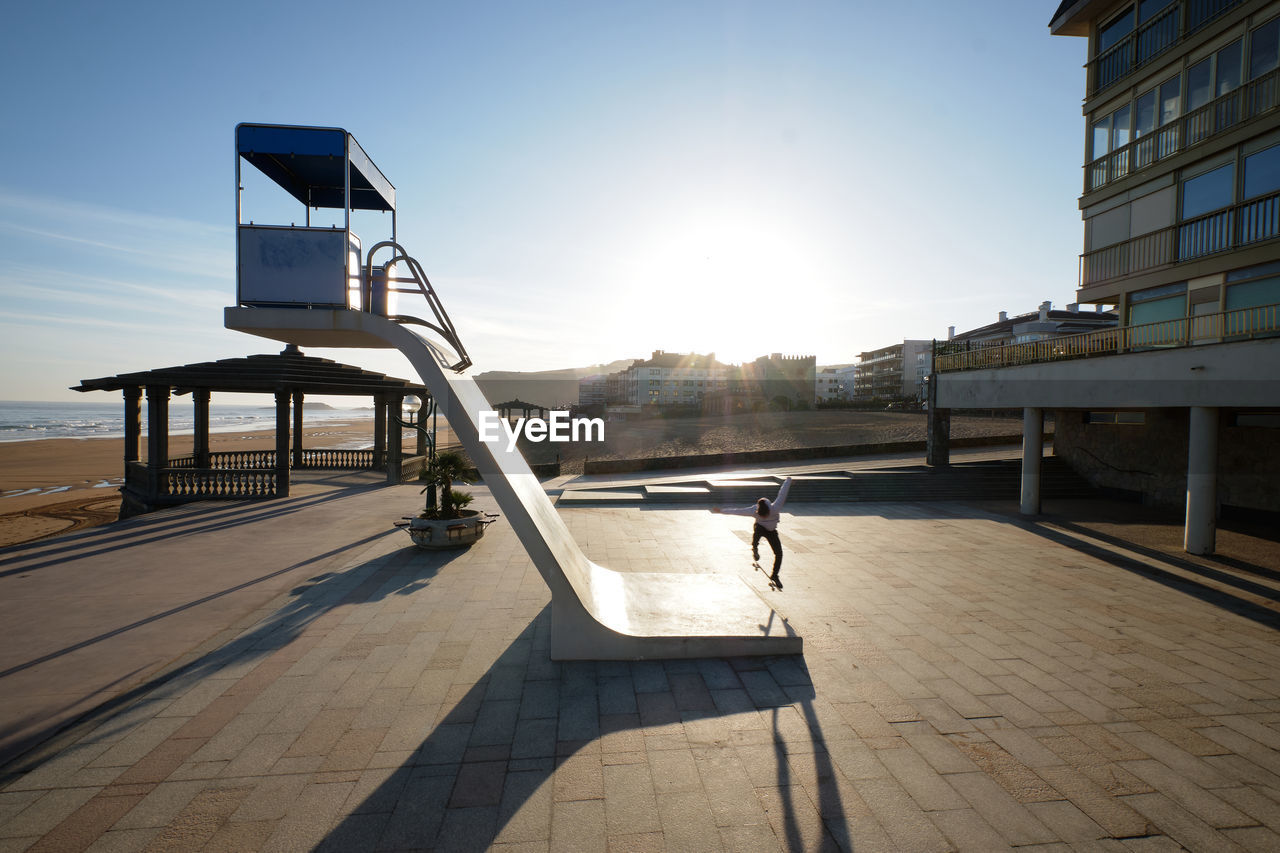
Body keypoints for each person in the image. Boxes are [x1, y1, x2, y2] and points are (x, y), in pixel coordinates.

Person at [712, 477, 792, 589]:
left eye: (765, 515)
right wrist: (721, 511)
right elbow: (738, 511)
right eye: (762, 516)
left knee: (779, 553)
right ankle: (755, 548)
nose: (763, 517)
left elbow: (782, 493)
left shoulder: (776, 507)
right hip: (761, 529)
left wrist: (788, 480)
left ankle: (775, 575)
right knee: (758, 529)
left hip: (772, 531)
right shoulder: (754, 510)